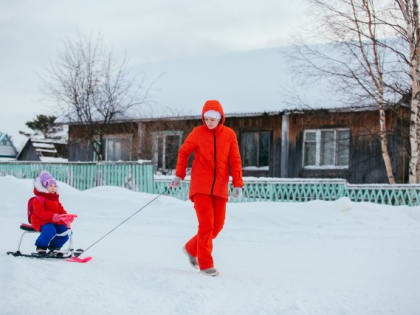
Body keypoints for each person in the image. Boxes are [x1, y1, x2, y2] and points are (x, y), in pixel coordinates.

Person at [171, 100, 243, 276]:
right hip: (200, 186)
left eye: (213, 119)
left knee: (217, 226)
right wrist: (179, 175)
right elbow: (183, 152)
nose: (209, 122)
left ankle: (190, 248)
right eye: (207, 118)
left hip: (220, 187)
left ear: (220, 118)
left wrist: (238, 183)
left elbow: (235, 160)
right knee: (206, 225)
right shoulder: (197, 133)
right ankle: (205, 264)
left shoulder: (229, 135)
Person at [31, 170, 77, 255]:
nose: (53, 188)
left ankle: (54, 247)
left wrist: (67, 217)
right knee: (50, 230)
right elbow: (40, 212)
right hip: (40, 221)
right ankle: (41, 247)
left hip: (53, 221)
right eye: (50, 186)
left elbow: (61, 210)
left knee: (65, 231)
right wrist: (52, 216)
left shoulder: (55, 199)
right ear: (44, 187)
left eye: (54, 186)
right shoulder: (39, 199)